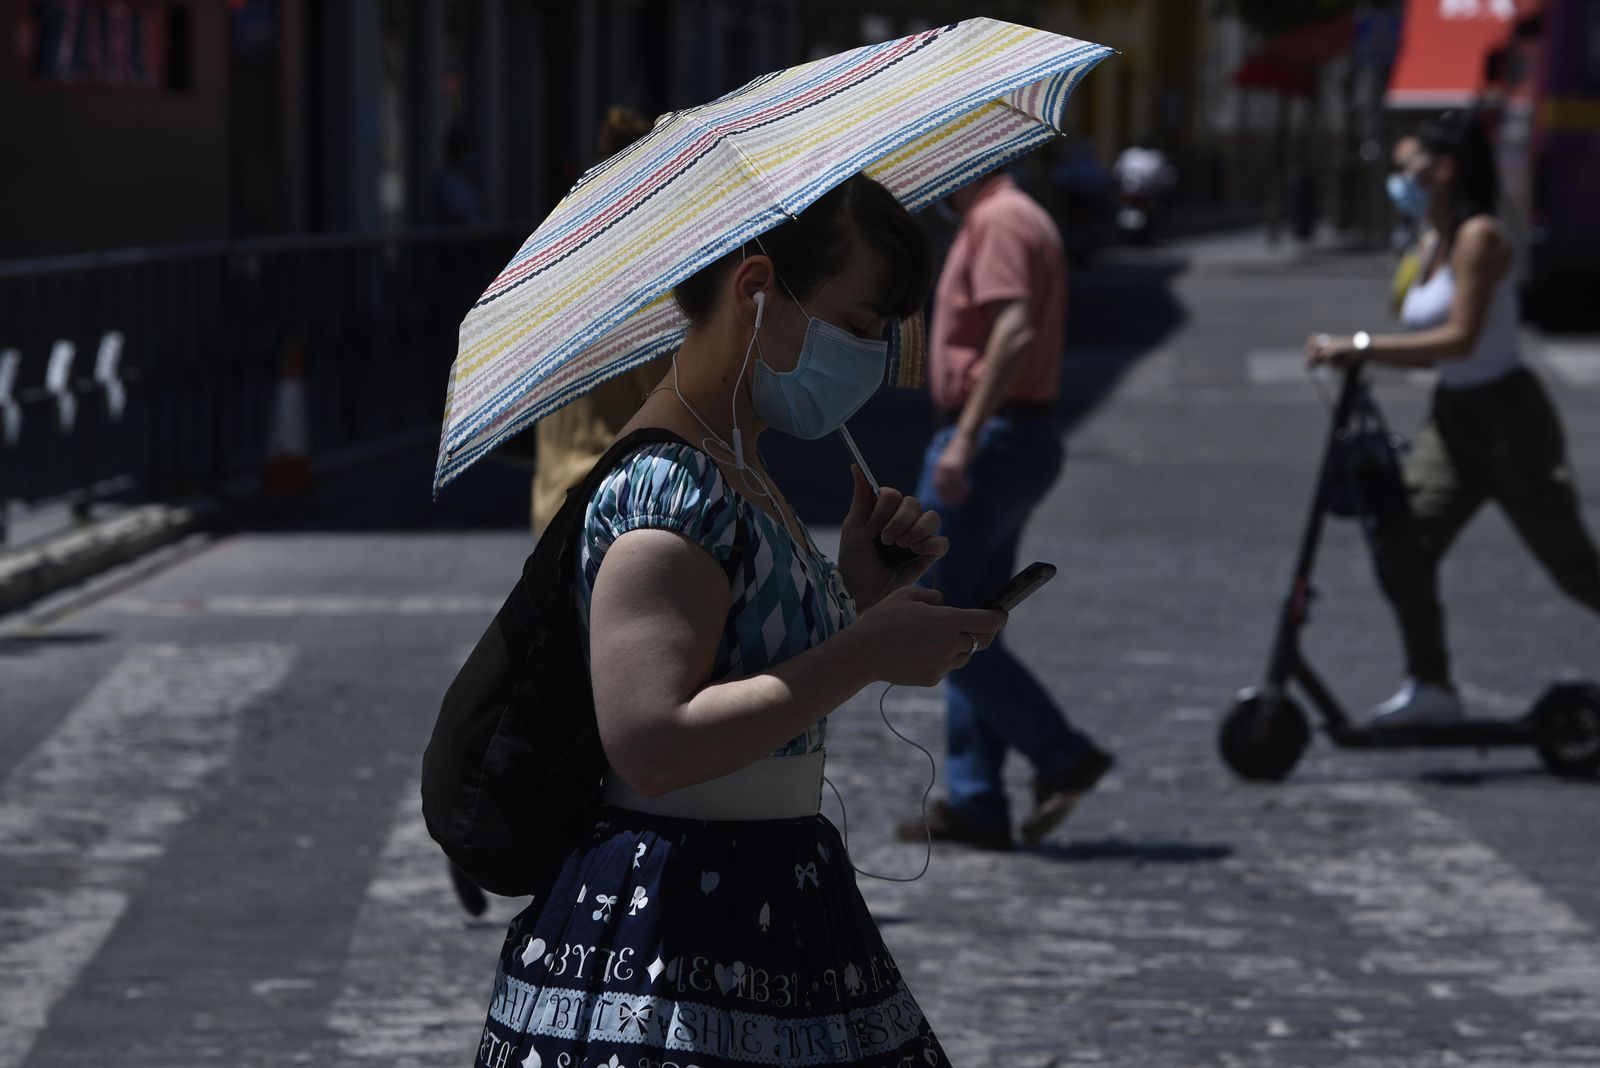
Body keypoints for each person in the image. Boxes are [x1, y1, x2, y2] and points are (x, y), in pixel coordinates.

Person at [471, 173, 1008, 1068]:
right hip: (678, 921)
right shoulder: (671, 488)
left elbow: (744, 666)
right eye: (861, 325)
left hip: (766, 895)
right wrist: (865, 652)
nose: (873, 356)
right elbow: (652, 742)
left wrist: (860, 594)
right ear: (757, 291)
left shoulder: (738, 466)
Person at [1306, 110, 1600, 726]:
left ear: (1444, 170)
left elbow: (1460, 338)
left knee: (1574, 567)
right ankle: (1431, 685)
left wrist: (1359, 348)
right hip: (1454, 415)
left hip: (1506, 418)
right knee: (1402, 539)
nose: (1398, 180)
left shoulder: (1480, 237)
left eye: (1408, 169)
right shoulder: (1432, 237)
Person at [894, 169, 1112, 854]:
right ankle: (978, 799)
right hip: (1013, 434)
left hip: (990, 436)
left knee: (937, 612)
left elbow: (1012, 329)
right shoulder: (1020, 216)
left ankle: (1061, 753)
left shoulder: (997, 220)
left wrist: (962, 439)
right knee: (974, 612)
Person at [531, 106, 665, 535]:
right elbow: (675, 397)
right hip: (610, 509)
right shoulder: (640, 278)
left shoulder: (563, 263)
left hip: (553, 499)